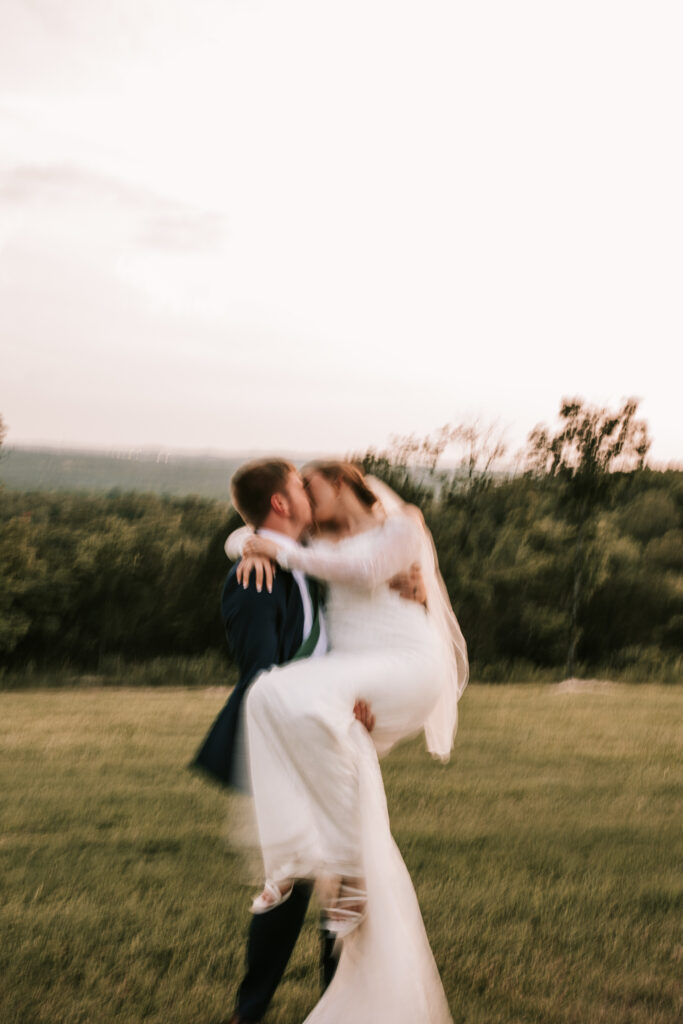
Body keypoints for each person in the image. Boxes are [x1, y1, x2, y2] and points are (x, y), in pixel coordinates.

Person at [227, 460, 468, 1023]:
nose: (304, 503)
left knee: (279, 700)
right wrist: (248, 546)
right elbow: (247, 529)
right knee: (266, 698)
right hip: (346, 688)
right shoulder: (317, 539)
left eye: (310, 488)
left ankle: (339, 873)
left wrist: (277, 551)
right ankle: (308, 880)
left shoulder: (402, 525)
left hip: (403, 671)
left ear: (339, 483)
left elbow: (362, 572)